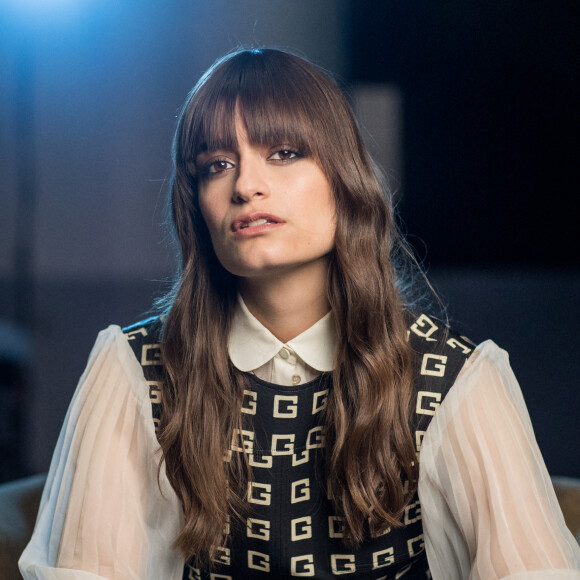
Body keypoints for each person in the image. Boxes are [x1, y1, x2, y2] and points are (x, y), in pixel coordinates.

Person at [20, 48, 580, 580]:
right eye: (216, 164)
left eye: (283, 153)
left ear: (343, 177)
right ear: (197, 203)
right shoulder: (135, 367)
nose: (246, 186)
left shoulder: (456, 375)